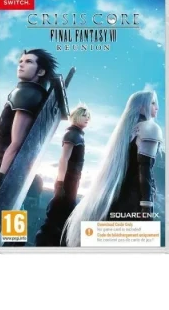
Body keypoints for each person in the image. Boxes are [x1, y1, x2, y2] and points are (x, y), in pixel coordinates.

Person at [63, 90, 162, 247]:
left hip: (118, 198)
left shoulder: (128, 131)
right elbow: (145, 170)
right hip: (135, 200)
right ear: (141, 107)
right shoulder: (149, 128)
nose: (157, 107)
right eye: (153, 103)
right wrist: (147, 207)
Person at [0, 49, 58, 188]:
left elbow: (16, 143)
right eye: (21, 61)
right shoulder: (27, 91)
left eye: (29, 62)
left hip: (1, 165)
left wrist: (0, 177)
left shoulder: (27, 92)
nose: (21, 64)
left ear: (40, 72)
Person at [35, 104, 91, 246]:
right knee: (57, 213)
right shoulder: (72, 134)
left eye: (89, 116)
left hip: (73, 181)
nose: (87, 118)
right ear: (76, 116)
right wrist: (60, 184)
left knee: (65, 213)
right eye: (84, 115)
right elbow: (63, 160)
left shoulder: (77, 134)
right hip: (67, 181)